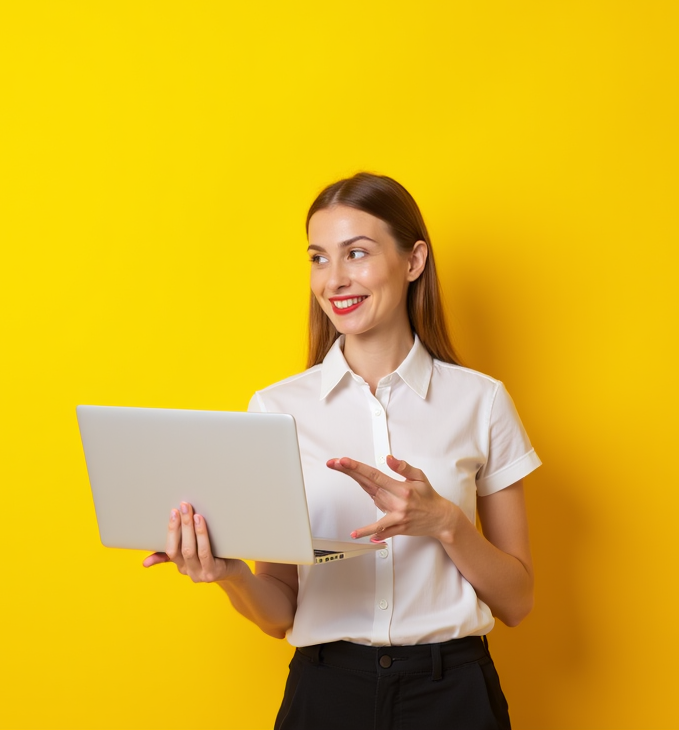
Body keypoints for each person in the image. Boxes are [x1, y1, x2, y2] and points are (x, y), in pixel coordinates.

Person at [142, 172, 541, 729]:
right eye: (318, 258)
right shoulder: (276, 409)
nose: (334, 279)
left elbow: (517, 601)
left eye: (356, 253)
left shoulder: (482, 401)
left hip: (452, 697)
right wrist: (233, 574)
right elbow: (280, 608)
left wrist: (447, 523)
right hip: (327, 695)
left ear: (413, 261)